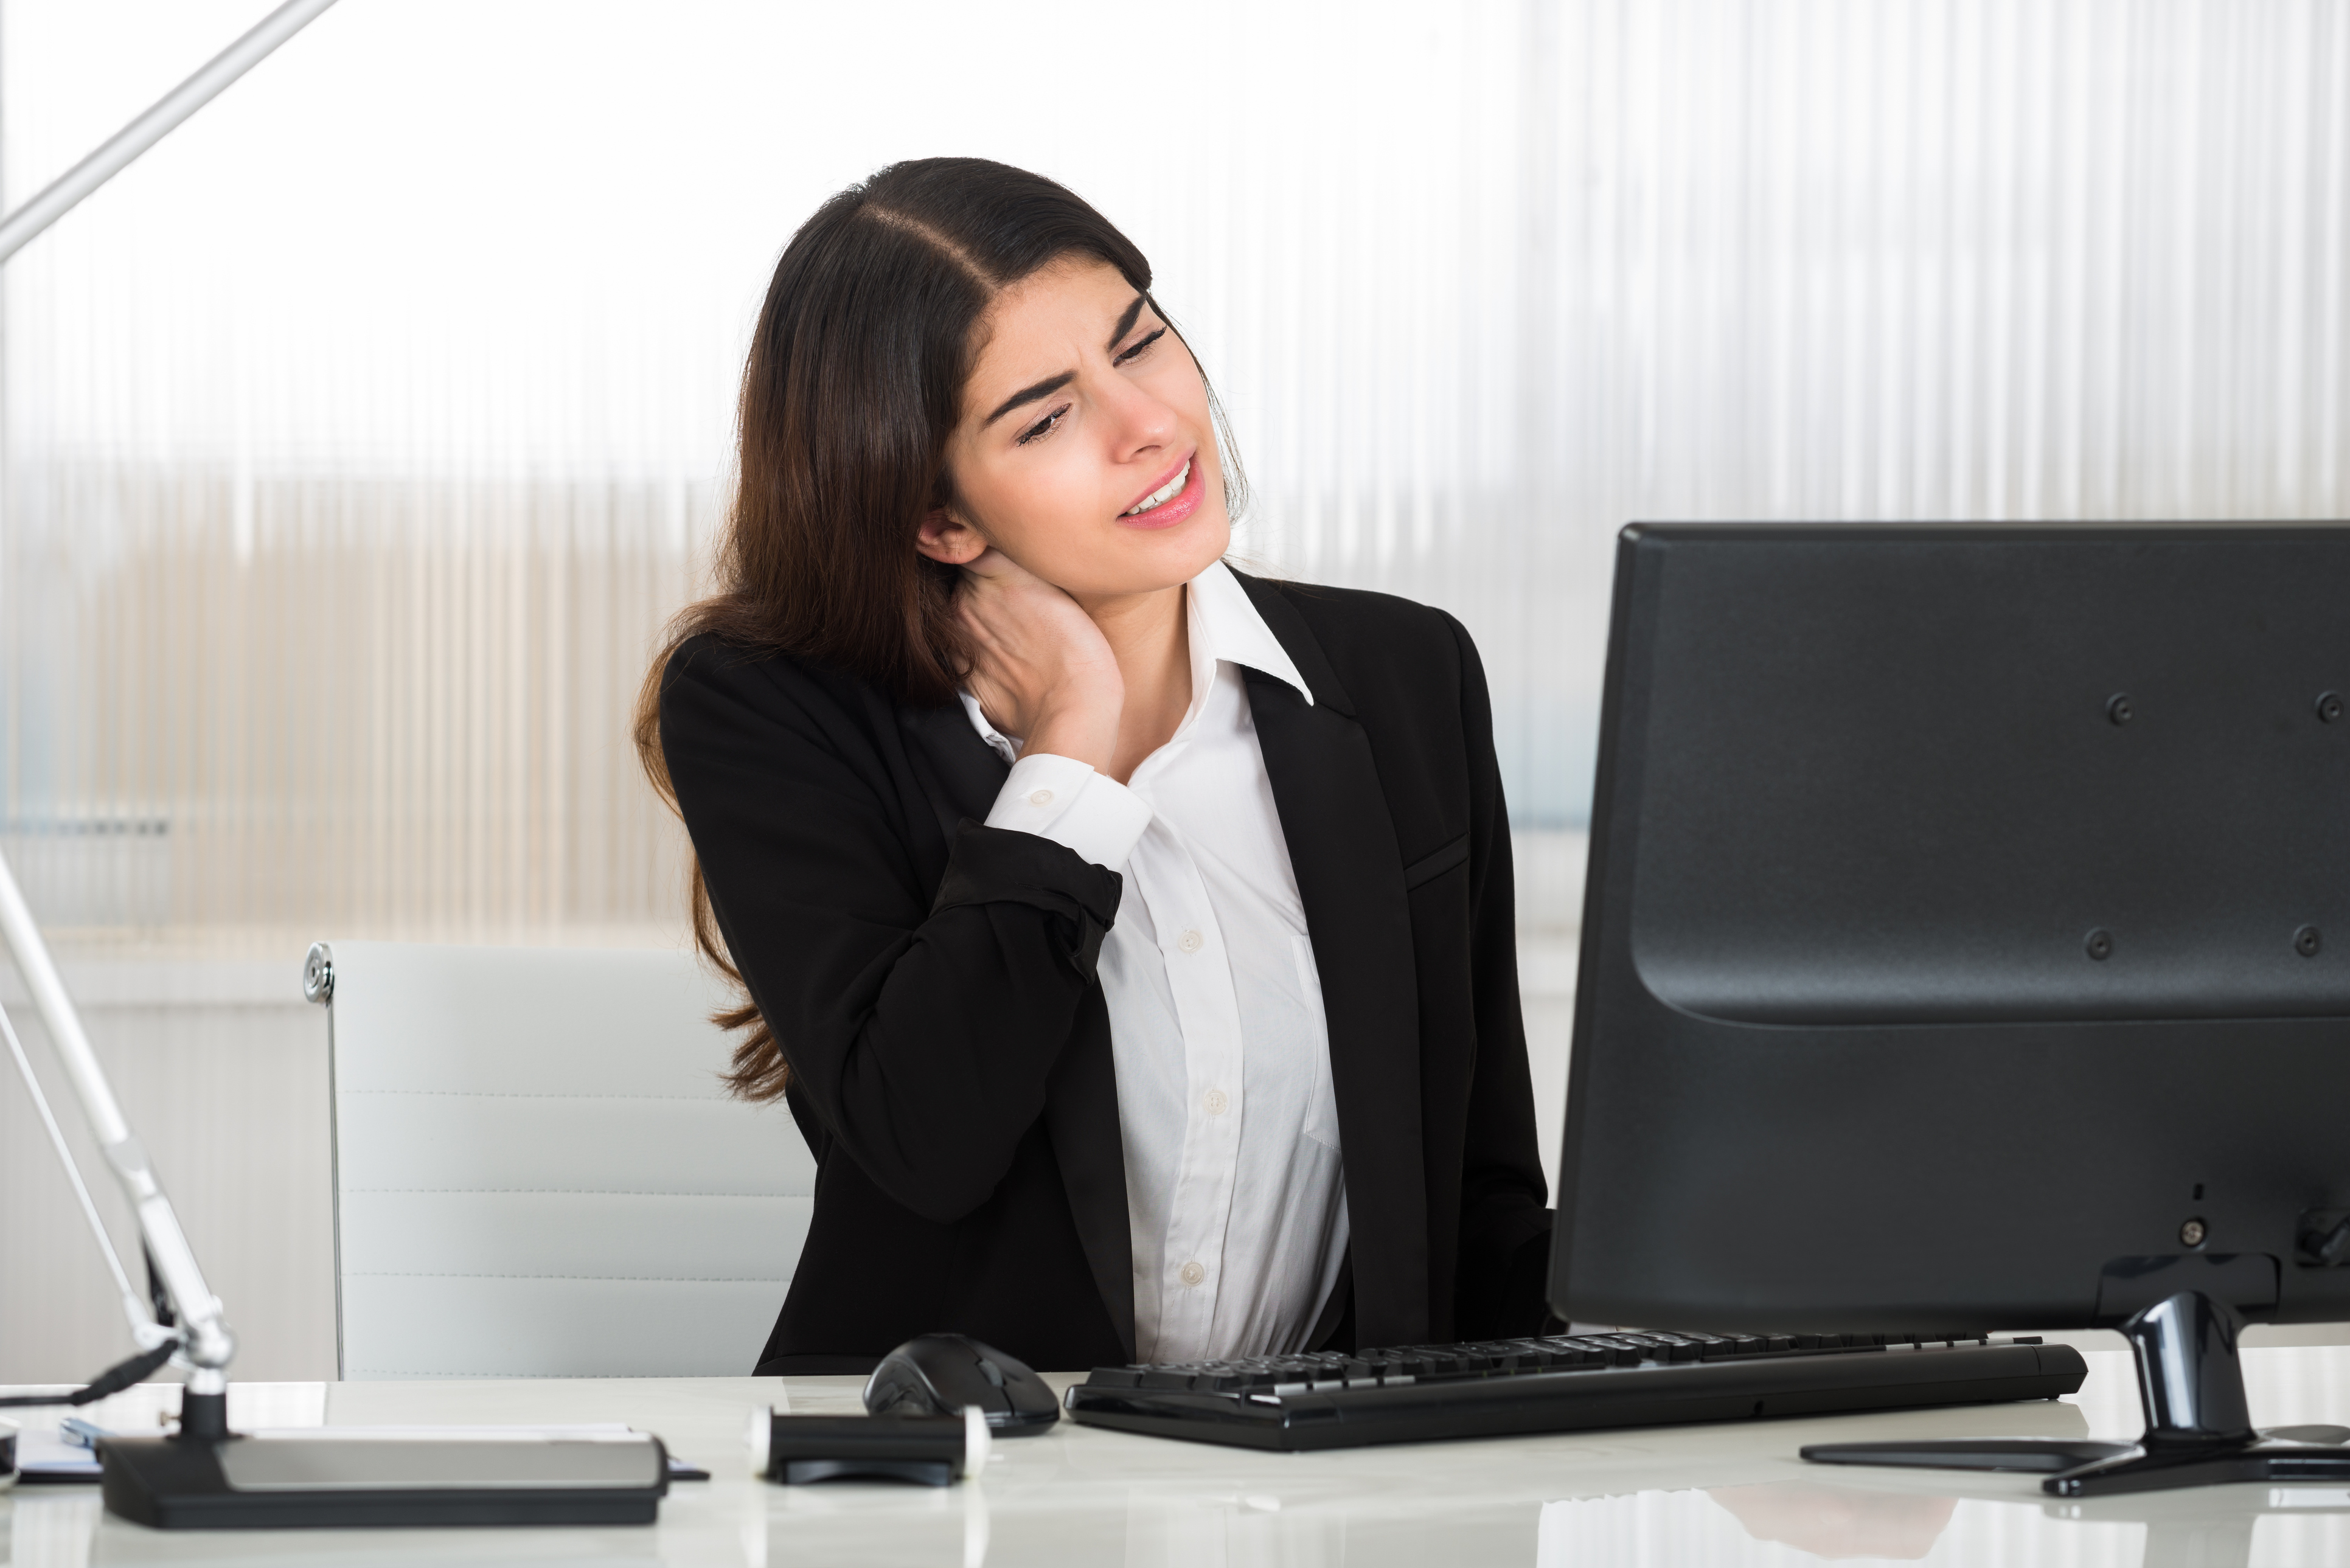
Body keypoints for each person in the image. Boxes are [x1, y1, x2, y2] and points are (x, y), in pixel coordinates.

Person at [637, 158, 1550, 1375]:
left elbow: (1474, 1214)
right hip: (952, 1497)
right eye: (1047, 416)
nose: (1151, 424)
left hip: (1331, 1492)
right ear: (941, 517)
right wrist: (1073, 750)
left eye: (1142, 343)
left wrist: (1788, 1330)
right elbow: (927, 1138)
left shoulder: (1403, 678)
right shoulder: (776, 711)